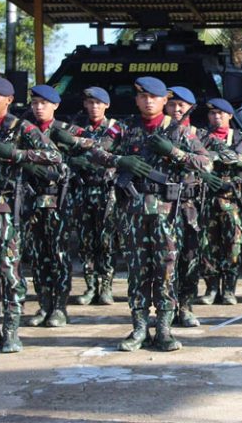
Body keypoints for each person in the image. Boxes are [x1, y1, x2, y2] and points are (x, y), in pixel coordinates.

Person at [53, 76, 212, 351]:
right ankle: (139, 328)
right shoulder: (124, 129)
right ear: (137, 99)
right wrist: (119, 160)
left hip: (166, 213)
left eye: (154, 97)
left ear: (164, 101)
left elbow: (205, 164)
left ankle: (163, 329)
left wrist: (174, 153)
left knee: (166, 270)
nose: (148, 101)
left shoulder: (180, 132)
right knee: (137, 271)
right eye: (143, 96)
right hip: (133, 211)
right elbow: (96, 149)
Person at [0, 76, 62, 352]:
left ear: (8, 100)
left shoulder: (21, 127)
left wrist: (15, 154)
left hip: (7, 210)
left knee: (9, 271)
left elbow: (54, 156)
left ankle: (11, 330)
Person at [22, 85, 82, 328]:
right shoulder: (24, 131)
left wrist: (73, 152)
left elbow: (96, 151)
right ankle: (44, 303)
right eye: (34, 103)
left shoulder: (67, 131)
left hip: (59, 200)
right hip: (32, 200)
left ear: (55, 106)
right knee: (38, 256)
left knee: (58, 255)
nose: (38, 108)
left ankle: (59, 307)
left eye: (43, 103)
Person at [195, 97, 242, 307]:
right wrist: (214, 157)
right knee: (206, 245)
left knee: (233, 245)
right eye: (212, 113)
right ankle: (211, 288)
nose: (216, 117)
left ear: (230, 116)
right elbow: (191, 161)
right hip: (205, 198)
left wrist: (236, 159)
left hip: (232, 201)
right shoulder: (200, 138)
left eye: (221, 113)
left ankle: (229, 289)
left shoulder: (240, 139)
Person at [70, 87, 118, 306]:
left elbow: (105, 152)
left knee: (106, 241)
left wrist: (85, 158)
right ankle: (90, 286)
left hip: (106, 191)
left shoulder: (115, 128)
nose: (94, 107)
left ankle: (106, 286)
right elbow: (66, 153)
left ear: (106, 105)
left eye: (98, 103)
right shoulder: (78, 128)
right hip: (84, 190)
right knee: (86, 241)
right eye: (90, 103)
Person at [162, 86, 204, 326]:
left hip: (187, 205)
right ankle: (166, 308)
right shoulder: (158, 132)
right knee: (166, 260)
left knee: (189, 256)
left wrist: (176, 153)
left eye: (181, 105)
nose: (176, 109)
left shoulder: (195, 134)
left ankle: (186, 306)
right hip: (162, 205)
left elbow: (206, 160)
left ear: (190, 107)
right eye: (172, 105)